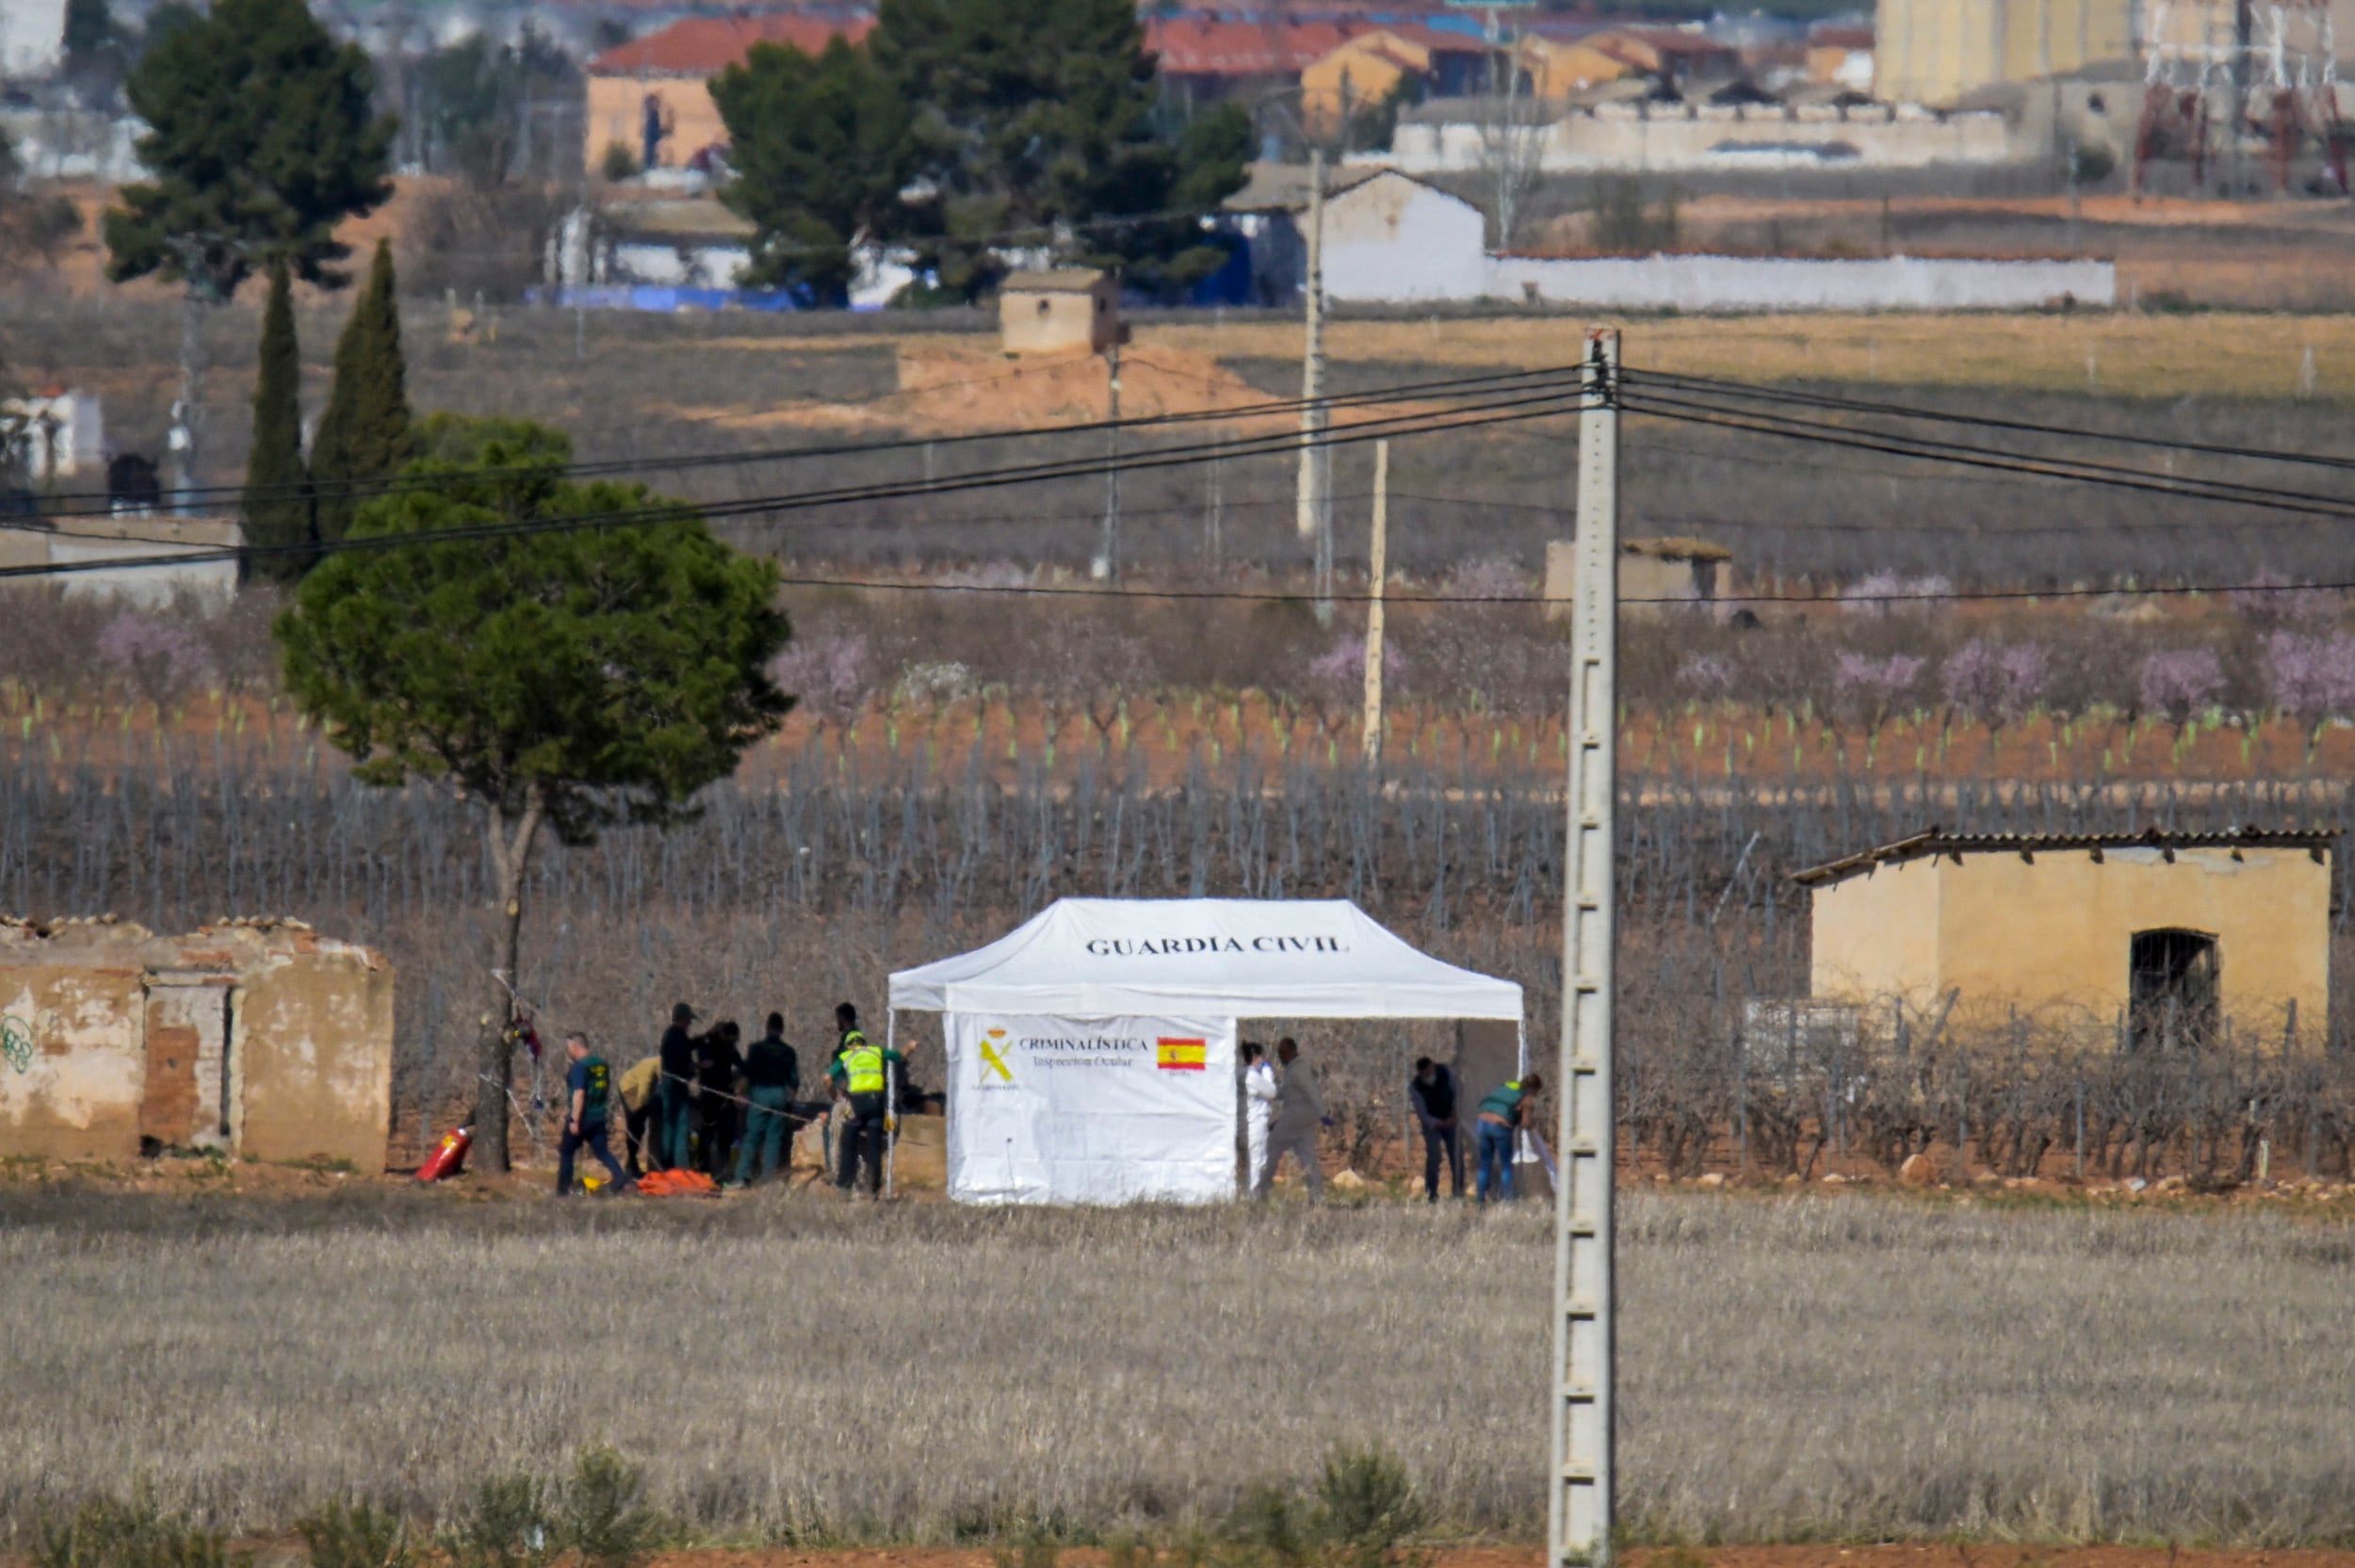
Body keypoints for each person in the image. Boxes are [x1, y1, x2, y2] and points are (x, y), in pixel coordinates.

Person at [829, 1004, 903, 1196]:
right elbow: (899, 1056)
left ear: (849, 1045)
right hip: (877, 1104)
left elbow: (827, 1078)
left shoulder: (847, 1055)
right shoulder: (876, 1051)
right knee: (874, 1146)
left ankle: (844, 1183)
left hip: (857, 1104)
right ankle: (873, 1187)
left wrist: (833, 1094)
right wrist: (909, 1047)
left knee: (848, 1141)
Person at [557, 1033, 632, 1196]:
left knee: (566, 1152)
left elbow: (579, 1093)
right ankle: (621, 1180)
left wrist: (574, 1120)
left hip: (583, 1117)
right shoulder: (602, 1064)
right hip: (599, 1115)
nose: (568, 1051)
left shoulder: (579, 1067)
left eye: (568, 1047)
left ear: (575, 1047)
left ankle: (563, 1191)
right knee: (602, 1151)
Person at [733, 1011, 799, 1188]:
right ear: (782, 1029)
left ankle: (742, 1177)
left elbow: (746, 1073)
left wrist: (739, 1093)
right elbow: (794, 1081)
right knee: (774, 1138)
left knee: (752, 1135)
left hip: (760, 1094)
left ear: (767, 1027)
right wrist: (790, 1097)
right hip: (780, 1094)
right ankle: (768, 1180)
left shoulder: (757, 1049)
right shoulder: (789, 1051)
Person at [1253, 1037, 1324, 1199]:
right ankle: (1317, 1196)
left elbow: (1312, 1092)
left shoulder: (1299, 1069)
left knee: (1272, 1146)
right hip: (1301, 1118)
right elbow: (1286, 1093)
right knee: (1307, 1156)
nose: (1281, 1057)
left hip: (1296, 1117)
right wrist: (1272, 1092)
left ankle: (1262, 1189)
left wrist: (1323, 1113)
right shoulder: (1294, 1069)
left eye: (1283, 1053)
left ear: (1291, 1052)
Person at [1475, 1070, 1543, 1204]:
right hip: (1500, 1127)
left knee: (1484, 1164)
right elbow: (1526, 1124)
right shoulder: (1527, 1098)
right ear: (1533, 1088)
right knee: (1506, 1166)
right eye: (1536, 1092)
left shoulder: (1506, 1086)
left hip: (1481, 1122)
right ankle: (1509, 1203)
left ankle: (1480, 1202)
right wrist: (1532, 1122)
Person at [1410, 1056, 1463, 1204]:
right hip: (1433, 1124)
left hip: (1451, 1117)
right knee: (1434, 1156)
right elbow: (1422, 1114)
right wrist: (1439, 1123)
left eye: (1430, 1072)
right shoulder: (1415, 1087)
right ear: (1420, 1074)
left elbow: (1457, 1092)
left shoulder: (1445, 1072)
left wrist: (1455, 1113)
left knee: (1456, 1154)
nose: (1429, 1076)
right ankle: (1431, 1193)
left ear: (1433, 1066)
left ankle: (1459, 1192)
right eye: (1425, 1075)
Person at [696, 1019, 745, 1178]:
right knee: (708, 1134)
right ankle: (704, 1170)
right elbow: (704, 1065)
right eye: (732, 1039)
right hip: (710, 1094)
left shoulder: (729, 1048)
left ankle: (721, 1172)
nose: (733, 1042)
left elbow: (742, 1066)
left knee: (725, 1134)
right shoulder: (707, 1044)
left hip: (724, 1095)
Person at [658, 1002, 699, 1172]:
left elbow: (687, 1046)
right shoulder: (675, 1036)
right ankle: (680, 1170)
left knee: (670, 1127)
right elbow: (681, 1061)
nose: (689, 1024)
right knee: (680, 1128)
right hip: (675, 1087)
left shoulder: (671, 1036)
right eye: (688, 1020)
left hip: (671, 1086)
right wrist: (696, 1066)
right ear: (682, 1019)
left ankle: (666, 1167)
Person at [1241, 1042, 1276, 1197]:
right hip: (1257, 1122)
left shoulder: (1241, 1074)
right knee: (1258, 1160)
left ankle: (1248, 1193)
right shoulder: (1253, 1076)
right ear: (1255, 1057)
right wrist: (1267, 1072)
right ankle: (1255, 1196)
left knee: (1250, 1161)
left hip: (1245, 1123)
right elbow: (1272, 1091)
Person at [617, 1053, 661, 1178]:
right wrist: (640, 1112)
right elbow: (643, 1092)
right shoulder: (650, 1066)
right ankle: (630, 1167)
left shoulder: (662, 1066)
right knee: (635, 1127)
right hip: (630, 1090)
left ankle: (632, 1165)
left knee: (639, 1129)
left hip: (645, 1094)